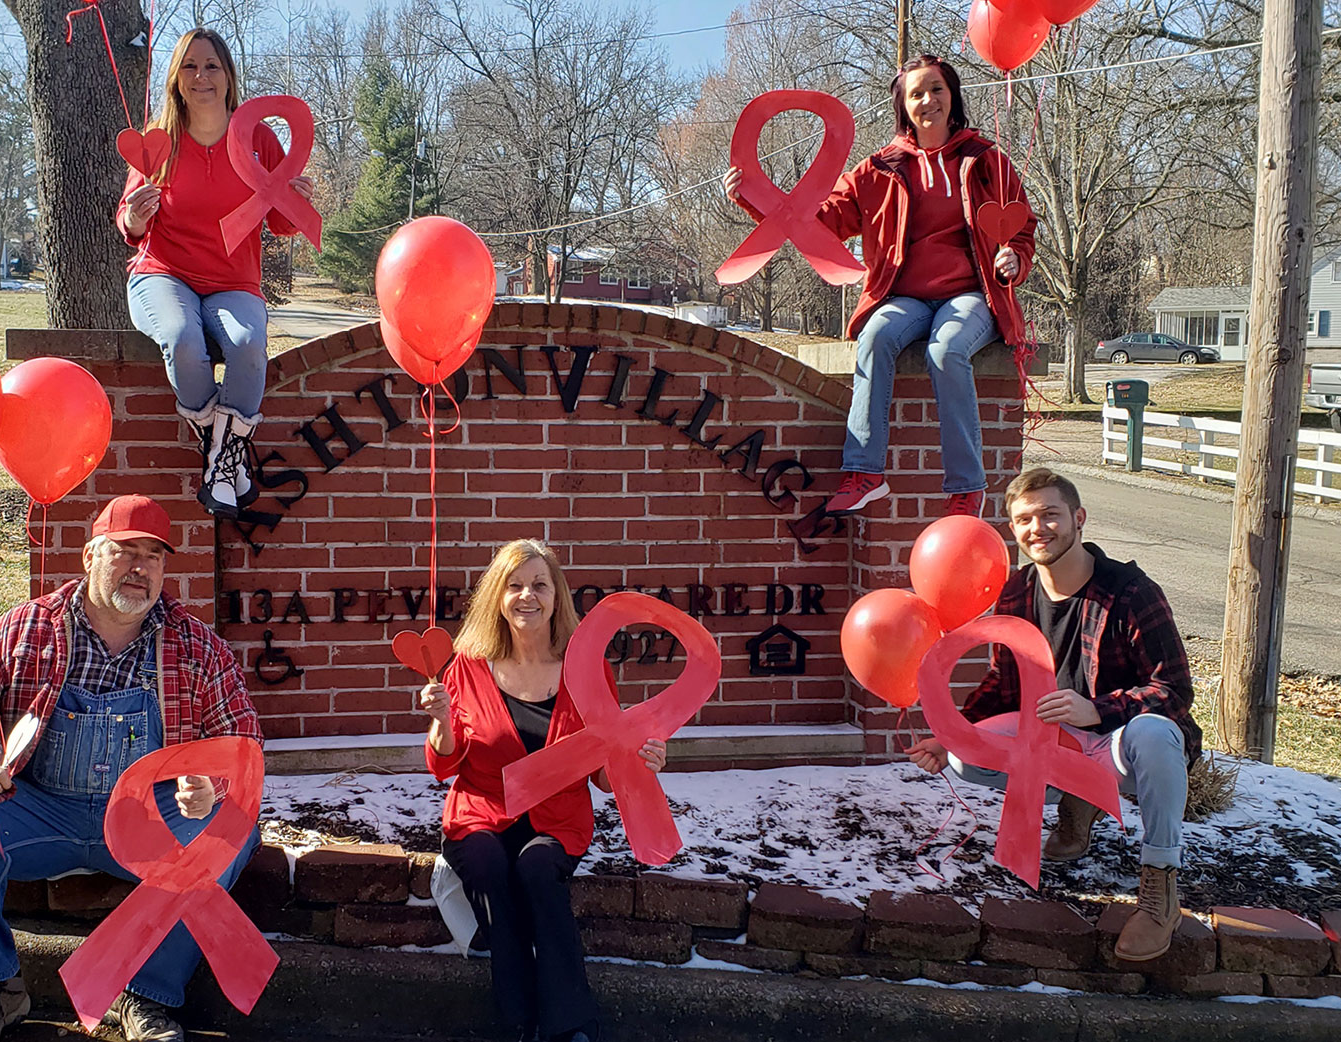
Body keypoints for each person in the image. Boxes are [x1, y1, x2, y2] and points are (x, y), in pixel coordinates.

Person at [0, 495, 263, 1042]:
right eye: (124, 552)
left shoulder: (196, 646)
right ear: (90, 556)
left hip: (149, 823)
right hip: (38, 809)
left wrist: (210, 783)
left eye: (154, 557)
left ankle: (145, 997)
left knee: (231, 836)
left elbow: (240, 738)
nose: (140, 568)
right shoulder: (24, 631)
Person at [906, 468, 1202, 961]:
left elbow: (1173, 690)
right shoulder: (1018, 592)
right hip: (1053, 741)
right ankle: (1076, 805)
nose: (1037, 528)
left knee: (1155, 733)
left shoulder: (1131, 592)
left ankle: (1159, 889)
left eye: (1050, 515)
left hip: (1120, 741)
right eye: (1025, 519)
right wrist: (950, 734)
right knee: (966, 757)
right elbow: (1003, 685)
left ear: (1078, 518)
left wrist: (1099, 709)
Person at [723, 55, 1037, 520]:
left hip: (971, 295)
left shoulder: (987, 161)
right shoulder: (879, 169)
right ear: (903, 106)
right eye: (916, 93)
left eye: (937, 89)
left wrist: (1016, 257)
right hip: (904, 296)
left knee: (946, 348)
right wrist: (754, 200)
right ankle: (865, 474)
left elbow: (1021, 226)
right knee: (875, 336)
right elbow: (820, 223)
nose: (928, 100)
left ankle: (966, 488)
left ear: (952, 97)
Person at [417, 540, 666, 1042]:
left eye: (539, 585)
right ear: (497, 596)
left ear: (557, 596)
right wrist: (441, 719)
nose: (526, 595)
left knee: (535, 869)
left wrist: (641, 763)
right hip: (481, 814)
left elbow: (601, 770)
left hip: (557, 819)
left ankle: (567, 1025)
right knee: (487, 866)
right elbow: (444, 764)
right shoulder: (468, 664)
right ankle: (518, 1022)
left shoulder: (586, 670)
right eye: (513, 585)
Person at [118, 28, 314, 519]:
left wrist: (296, 199)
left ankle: (221, 457)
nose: (200, 76)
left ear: (228, 75)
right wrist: (136, 217)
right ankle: (226, 458)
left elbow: (280, 224)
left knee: (250, 343)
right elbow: (128, 221)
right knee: (183, 337)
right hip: (164, 273)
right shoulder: (158, 139)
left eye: (211, 66)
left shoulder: (256, 137)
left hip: (233, 281)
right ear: (175, 78)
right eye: (189, 66)